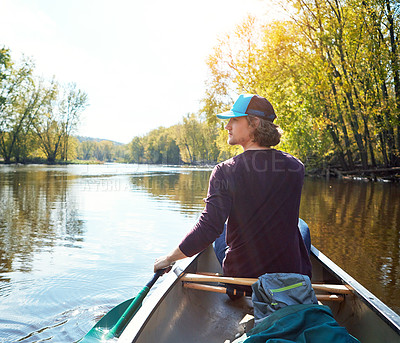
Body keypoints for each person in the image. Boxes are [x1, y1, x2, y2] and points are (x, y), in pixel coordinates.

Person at [154, 94, 311, 280]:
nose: (227, 126)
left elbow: (208, 228)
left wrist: (169, 258)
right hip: (292, 281)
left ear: (255, 123)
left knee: (221, 230)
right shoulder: (295, 166)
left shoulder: (225, 171)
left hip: (242, 282)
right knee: (300, 226)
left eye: (234, 120)